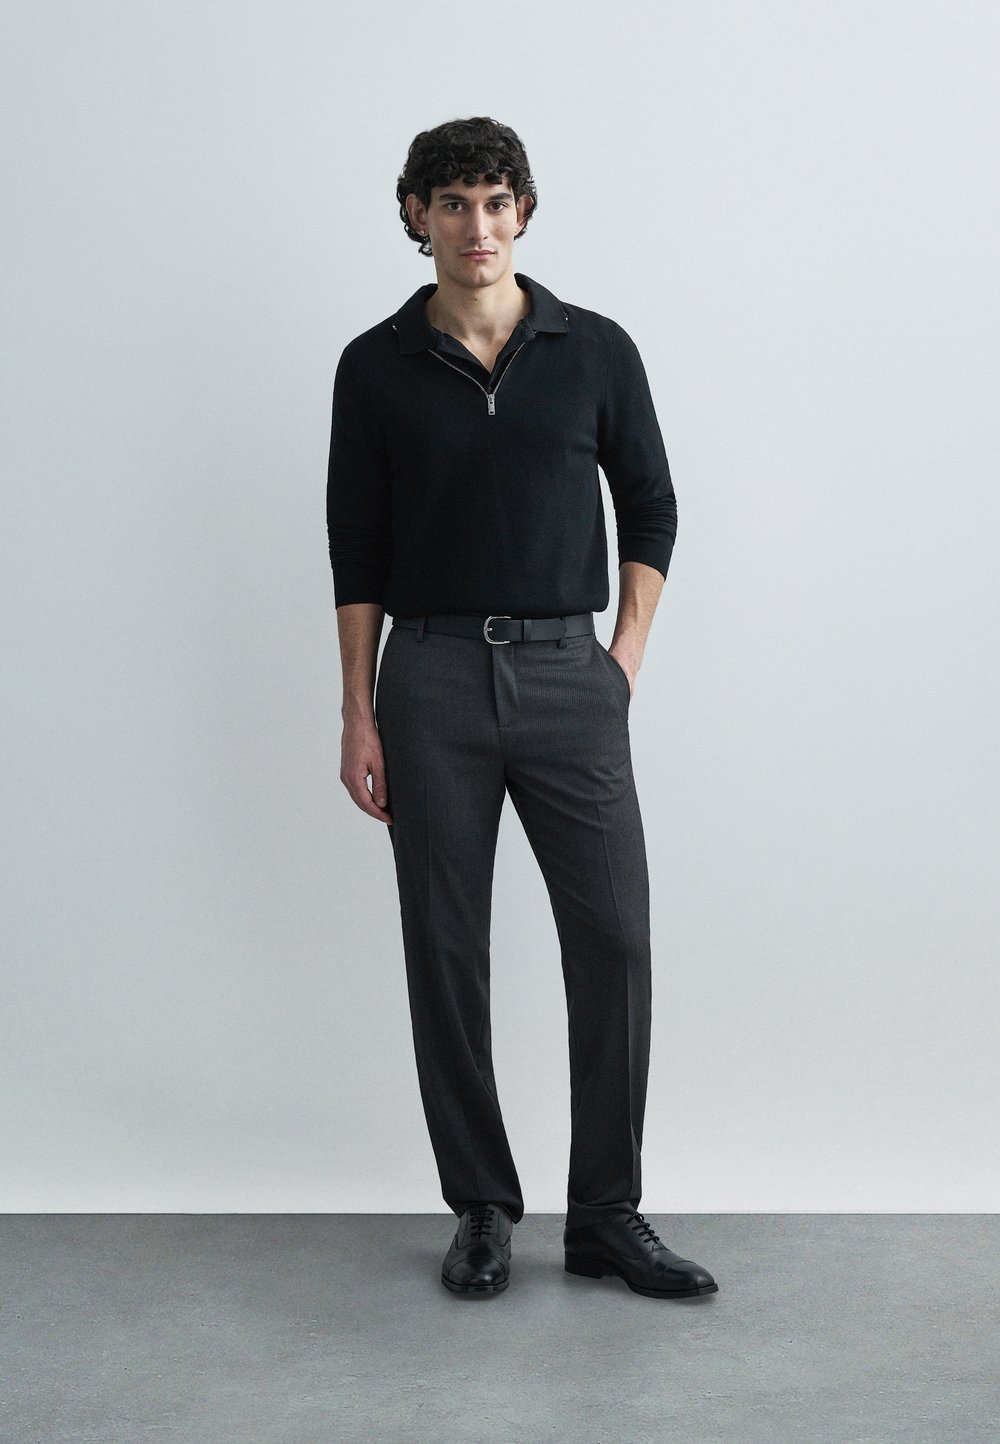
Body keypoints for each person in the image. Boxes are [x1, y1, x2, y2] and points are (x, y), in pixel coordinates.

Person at [326, 116, 718, 1302]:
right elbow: (357, 547)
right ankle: (483, 1208)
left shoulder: (593, 349)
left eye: (496, 201)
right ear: (416, 217)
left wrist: (621, 658)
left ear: (525, 213)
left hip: (567, 675)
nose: (476, 225)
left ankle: (606, 1214)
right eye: (452, 202)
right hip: (431, 680)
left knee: (614, 940)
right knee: (445, 947)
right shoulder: (374, 364)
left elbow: (650, 504)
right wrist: (357, 710)